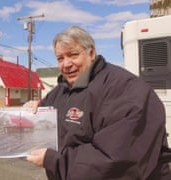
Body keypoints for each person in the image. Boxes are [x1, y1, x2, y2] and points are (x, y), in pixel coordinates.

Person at [24, 25, 171, 179]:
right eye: (60, 58)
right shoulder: (61, 90)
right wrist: (35, 109)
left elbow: (115, 159)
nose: (66, 64)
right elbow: (43, 123)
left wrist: (54, 160)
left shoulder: (124, 89)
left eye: (73, 55)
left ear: (91, 52)